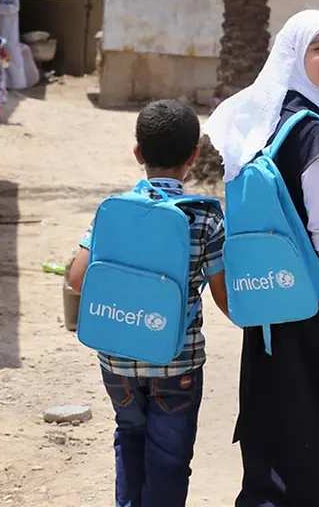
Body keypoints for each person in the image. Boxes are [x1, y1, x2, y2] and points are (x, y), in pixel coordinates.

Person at [202, 10, 319, 507]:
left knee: (276, 440)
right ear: (293, 54)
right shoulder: (314, 133)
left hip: (271, 309)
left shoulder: (267, 126)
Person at [66, 99, 228, 507]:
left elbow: (77, 278)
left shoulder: (114, 211)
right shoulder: (206, 219)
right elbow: (226, 298)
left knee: (129, 438)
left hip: (117, 360)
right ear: (193, 156)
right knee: (170, 460)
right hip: (178, 362)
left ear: (137, 152)